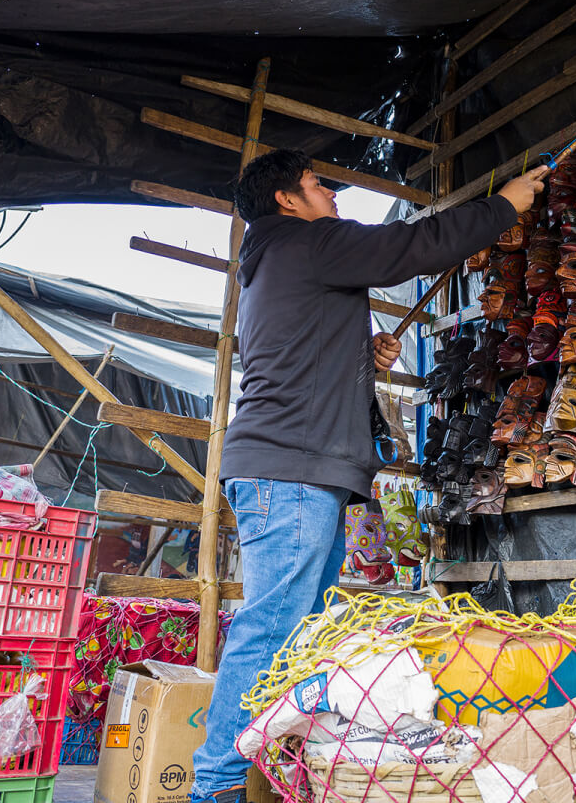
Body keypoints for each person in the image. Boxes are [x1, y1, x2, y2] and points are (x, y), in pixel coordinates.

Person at [190, 149, 548, 803]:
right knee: (272, 630)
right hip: (288, 472)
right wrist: (504, 205)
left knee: (299, 635)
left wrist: (364, 353)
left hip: (295, 473)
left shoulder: (275, 262)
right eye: (317, 184)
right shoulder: (310, 242)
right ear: (286, 200)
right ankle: (213, 788)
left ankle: (267, 779)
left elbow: (302, 355)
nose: (332, 194)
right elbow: (412, 244)